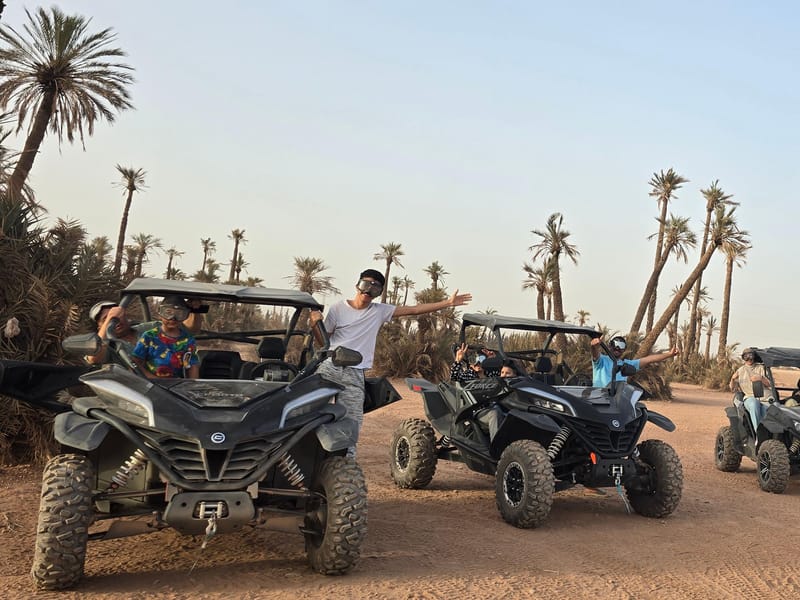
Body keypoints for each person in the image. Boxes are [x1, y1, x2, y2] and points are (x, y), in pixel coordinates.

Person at [309, 268, 471, 456]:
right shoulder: (338, 308)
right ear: (357, 284)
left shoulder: (379, 311)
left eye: (375, 289)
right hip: (330, 366)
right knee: (311, 410)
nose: (367, 292)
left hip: (355, 372)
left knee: (352, 421)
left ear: (378, 293)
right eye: (365, 285)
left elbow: (414, 309)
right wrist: (314, 324)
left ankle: (347, 461)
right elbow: (323, 341)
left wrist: (448, 303)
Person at [86, 298, 205, 366]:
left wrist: (195, 310)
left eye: (118, 316)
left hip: (170, 386)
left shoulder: (149, 330)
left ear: (124, 314)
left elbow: (190, 330)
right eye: (105, 319)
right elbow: (94, 359)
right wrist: (109, 322)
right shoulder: (105, 346)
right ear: (99, 327)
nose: (115, 321)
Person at [131, 295, 200, 379]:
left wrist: (192, 385)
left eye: (179, 314)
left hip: (176, 385)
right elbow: (135, 363)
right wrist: (152, 378)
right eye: (168, 313)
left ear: (185, 316)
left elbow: (192, 366)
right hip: (151, 384)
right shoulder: (149, 336)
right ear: (160, 313)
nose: (173, 318)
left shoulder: (188, 340)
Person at [591, 335, 678, 388]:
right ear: (609, 346)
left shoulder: (627, 364)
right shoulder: (601, 360)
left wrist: (669, 354)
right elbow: (595, 354)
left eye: (621, 345)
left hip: (617, 400)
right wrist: (594, 346)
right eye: (615, 344)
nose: (617, 348)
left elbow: (649, 359)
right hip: (599, 397)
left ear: (624, 349)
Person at [729, 348, 773, 432]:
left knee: (770, 411)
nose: (749, 359)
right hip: (750, 397)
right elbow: (732, 389)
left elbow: (770, 384)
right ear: (743, 358)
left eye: (751, 356)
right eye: (746, 356)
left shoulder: (761, 368)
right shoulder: (740, 371)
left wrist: (761, 378)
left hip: (766, 398)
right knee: (754, 404)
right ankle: (758, 434)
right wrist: (732, 379)